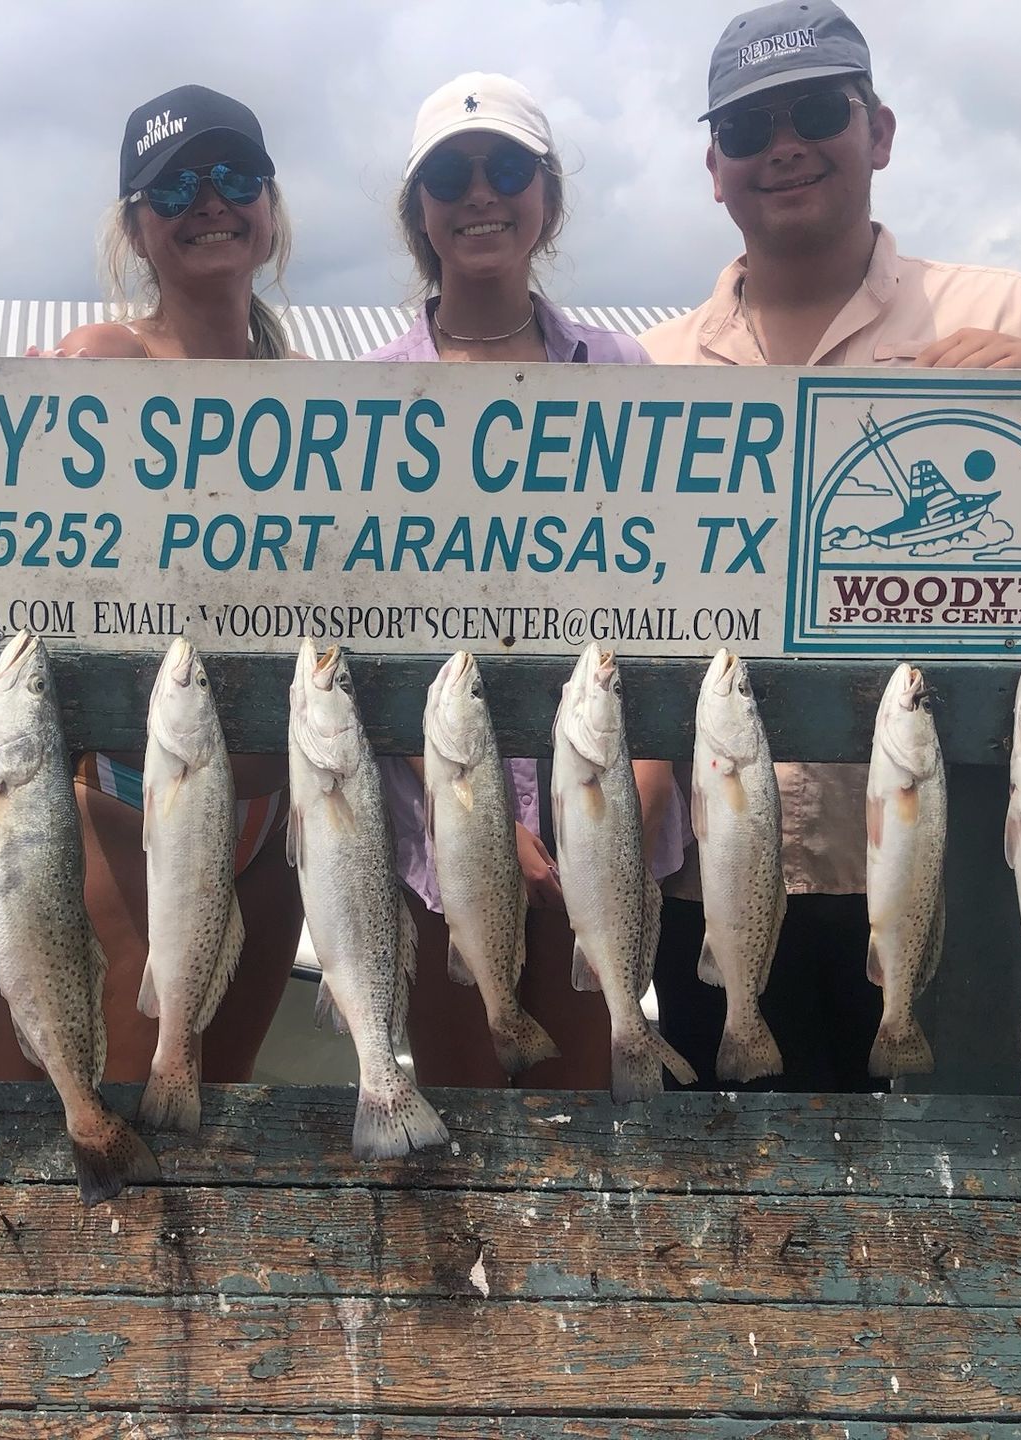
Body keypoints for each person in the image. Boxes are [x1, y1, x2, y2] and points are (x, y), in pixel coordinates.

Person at [640, 0, 1021, 1090]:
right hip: (718, 871)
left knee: (944, 1191)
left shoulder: (1011, 314)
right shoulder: (645, 370)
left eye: (815, 111)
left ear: (877, 131)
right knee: (741, 1201)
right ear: (714, 168)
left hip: (955, 856)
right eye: (748, 129)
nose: (782, 144)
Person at [0, 85, 303, 1085]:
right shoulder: (100, 358)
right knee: (113, 1104)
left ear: (269, 209)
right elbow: (10, 575)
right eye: (173, 187)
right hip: (129, 805)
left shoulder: (313, 390)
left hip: (273, 823)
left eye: (234, 177)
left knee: (209, 1114)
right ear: (137, 229)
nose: (208, 202)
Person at [362, 73, 689, 1088]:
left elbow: (682, 596)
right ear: (419, 208)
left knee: (581, 1117)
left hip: (610, 808)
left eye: (507, 169)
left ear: (547, 196)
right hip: (439, 827)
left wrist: (636, 794)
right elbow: (360, 636)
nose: (479, 195)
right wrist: (482, 820)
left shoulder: (623, 371)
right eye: (449, 177)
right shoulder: (370, 392)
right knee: (462, 1116)